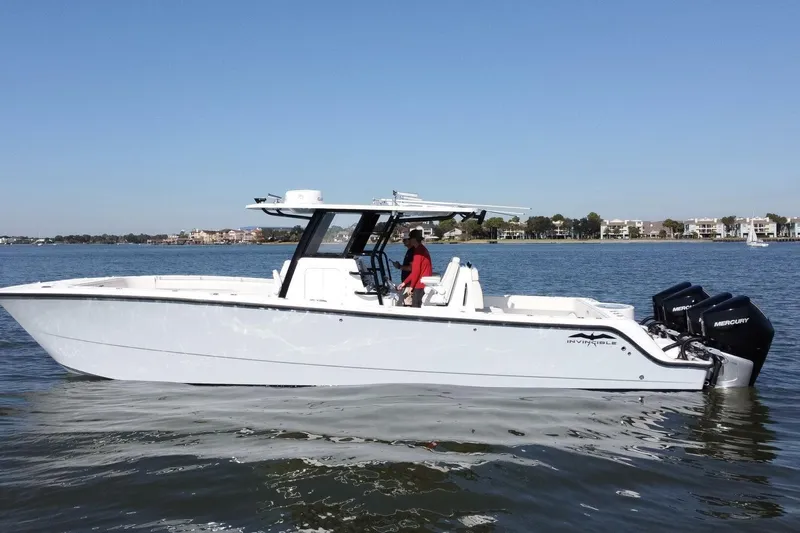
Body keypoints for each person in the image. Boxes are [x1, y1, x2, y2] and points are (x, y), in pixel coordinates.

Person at [396, 229, 432, 308]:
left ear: (414, 239)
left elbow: (416, 271)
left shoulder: (419, 252)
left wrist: (411, 287)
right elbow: (415, 271)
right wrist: (404, 283)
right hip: (421, 284)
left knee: (416, 307)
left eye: (410, 238)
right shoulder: (421, 249)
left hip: (420, 285)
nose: (409, 240)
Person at [391, 233, 415, 305]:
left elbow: (412, 268)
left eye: (405, 240)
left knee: (408, 303)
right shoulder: (410, 251)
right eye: (403, 240)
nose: (403, 241)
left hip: (409, 283)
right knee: (405, 301)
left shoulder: (412, 251)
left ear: (410, 240)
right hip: (407, 282)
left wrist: (399, 267)